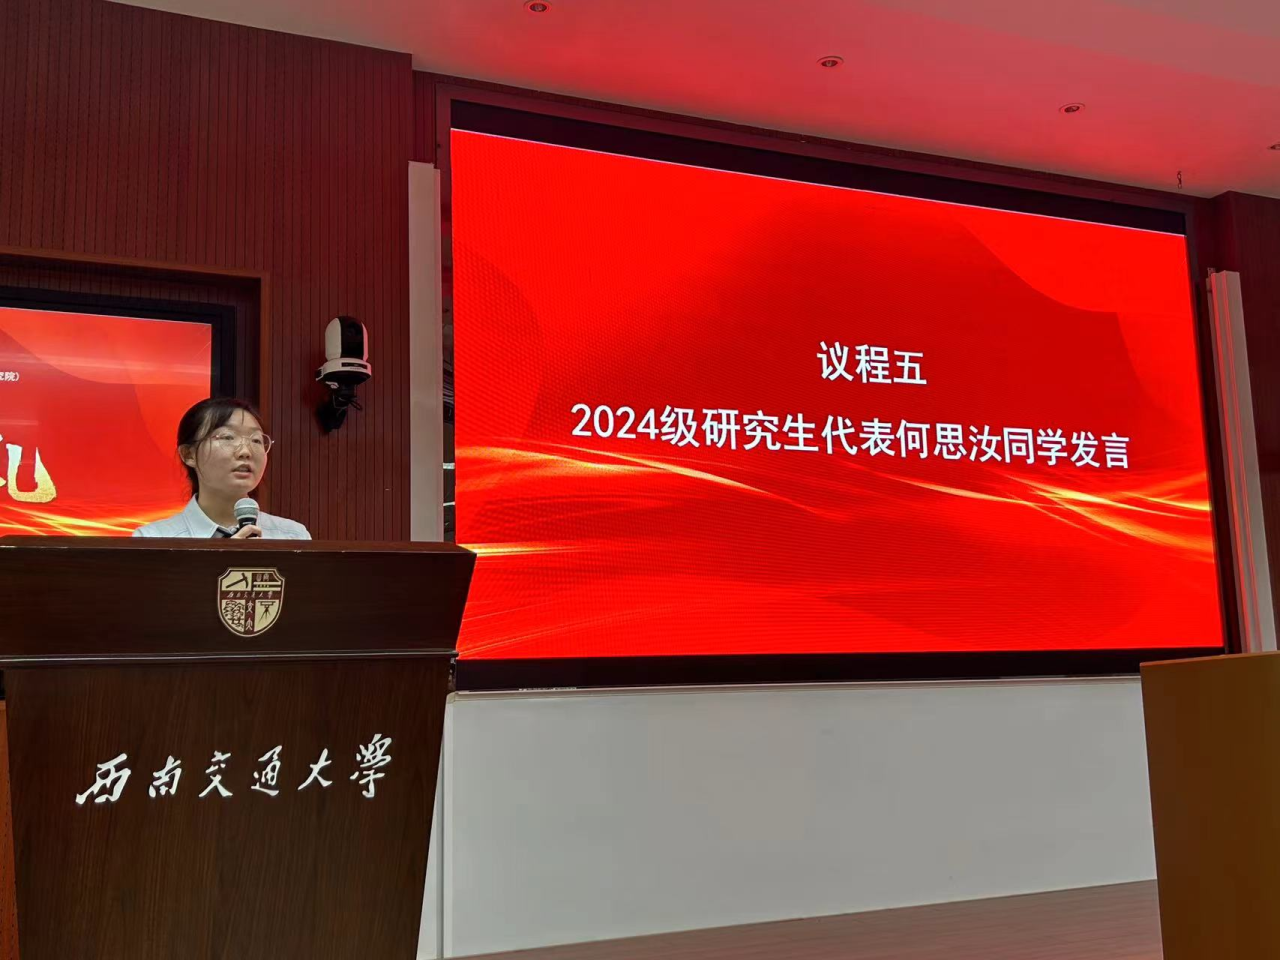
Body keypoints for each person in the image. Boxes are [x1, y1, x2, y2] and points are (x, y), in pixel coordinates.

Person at [132, 398, 311, 540]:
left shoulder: (292, 536)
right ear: (189, 454)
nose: (245, 451)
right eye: (227, 437)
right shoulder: (153, 539)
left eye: (256, 440)